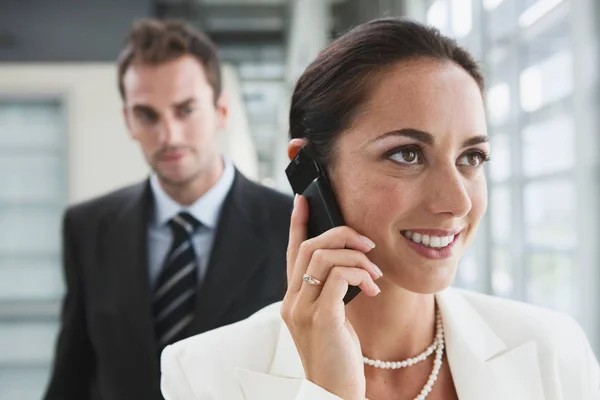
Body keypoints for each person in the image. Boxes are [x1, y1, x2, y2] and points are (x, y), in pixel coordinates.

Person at [159, 17, 600, 400]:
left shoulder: (553, 351)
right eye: (407, 154)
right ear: (308, 168)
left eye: (471, 157)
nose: (458, 201)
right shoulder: (203, 376)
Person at [43, 19, 292, 400]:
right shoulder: (88, 227)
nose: (169, 135)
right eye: (147, 114)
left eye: (186, 109)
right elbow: (73, 372)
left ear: (220, 111)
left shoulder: (290, 224)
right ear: (128, 120)